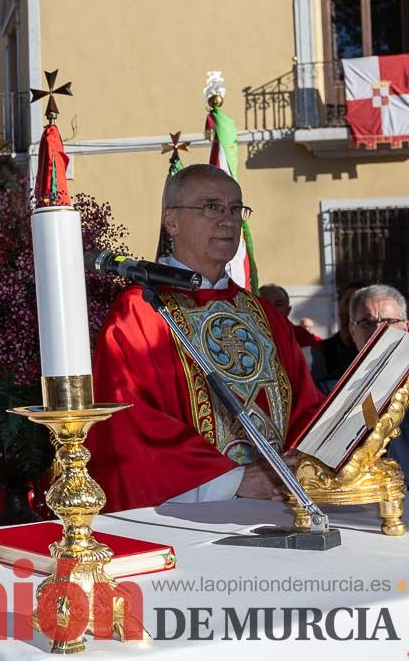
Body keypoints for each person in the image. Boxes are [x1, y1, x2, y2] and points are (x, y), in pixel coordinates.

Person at [86, 165, 325, 512]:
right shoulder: (140, 312)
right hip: (194, 512)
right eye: (211, 207)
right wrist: (235, 480)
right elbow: (127, 421)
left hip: (284, 505)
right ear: (172, 221)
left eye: (235, 209)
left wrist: (299, 461)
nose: (228, 220)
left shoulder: (264, 314)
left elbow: (307, 404)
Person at [348, 285, 409, 469]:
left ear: (405, 327)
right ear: (352, 331)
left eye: (388, 321)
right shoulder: (328, 391)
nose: (378, 330)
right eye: (367, 322)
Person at [258, 283, 327, 389]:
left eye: (278, 304)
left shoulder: (303, 339)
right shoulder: (247, 337)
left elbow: (316, 384)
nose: (271, 308)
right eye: (265, 304)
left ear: (288, 310)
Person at [320, 280, 365, 388]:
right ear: (339, 306)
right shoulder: (321, 350)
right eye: (348, 301)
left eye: (359, 302)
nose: (352, 308)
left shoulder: (373, 350)